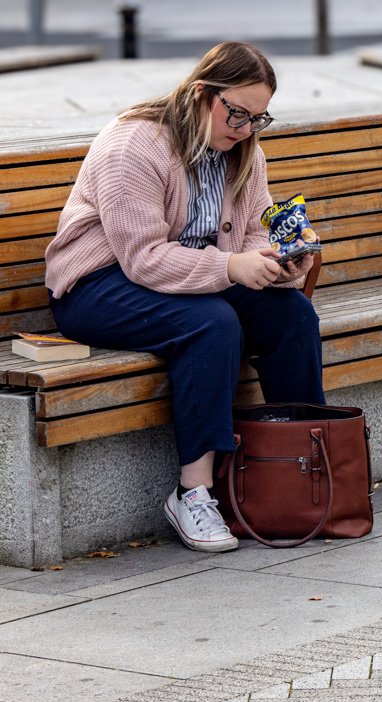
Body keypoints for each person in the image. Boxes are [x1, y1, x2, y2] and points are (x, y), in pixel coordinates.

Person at [44, 42, 325, 553]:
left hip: (195, 283)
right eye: (235, 113)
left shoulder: (245, 152)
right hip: (98, 286)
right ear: (201, 94)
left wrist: (282, 263)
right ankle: (193, 493)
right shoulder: (135, 145)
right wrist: (230, 266)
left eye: (258, 118)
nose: (244, 128)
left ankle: (303, 467)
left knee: (292, 314)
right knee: (212, 323)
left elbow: (255, 235)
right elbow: (143, 258)